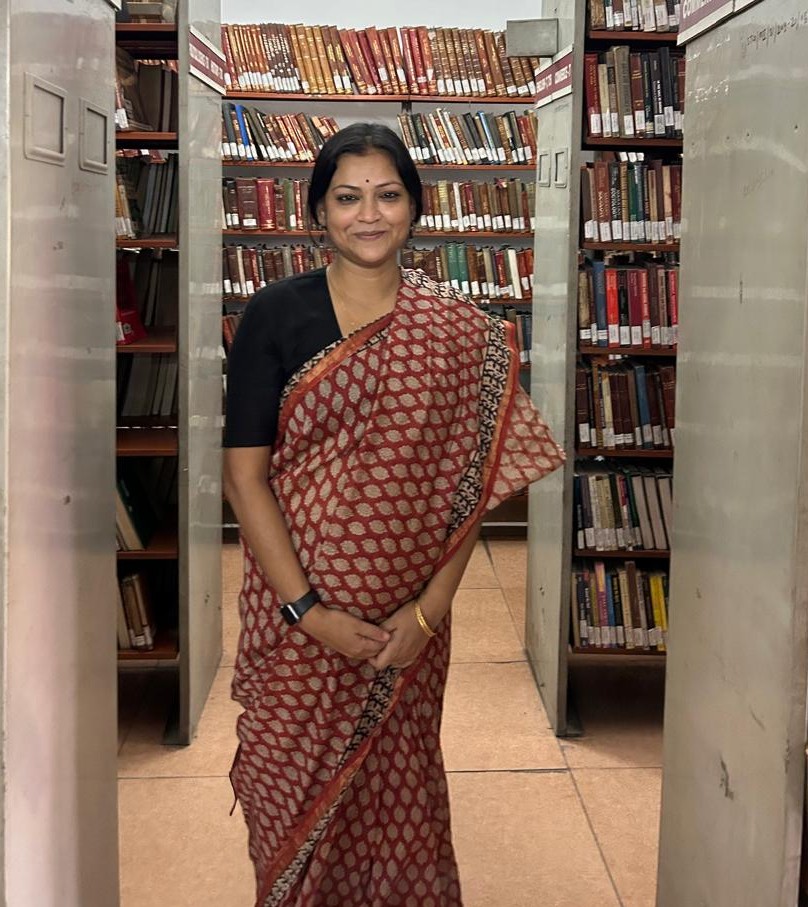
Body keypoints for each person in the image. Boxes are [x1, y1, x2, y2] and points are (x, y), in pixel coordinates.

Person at [223, 122, 565, 907]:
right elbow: (246, 479)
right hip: (297, 616)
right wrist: (308, 611)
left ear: (415, 210)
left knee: (399, 790)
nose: (367, 214)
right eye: (347, 197)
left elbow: (472, 481)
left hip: (408, 620)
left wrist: (429, 611)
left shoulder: (458, 333)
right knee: (290, 785)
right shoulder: (274, 315)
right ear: (318, 212)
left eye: (387, 195)